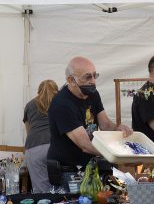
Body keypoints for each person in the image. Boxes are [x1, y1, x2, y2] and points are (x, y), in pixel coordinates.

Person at [47, 56, 132, 191]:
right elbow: (85, 145)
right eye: (87, 77)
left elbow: (105, 125)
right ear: (71, 80)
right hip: (69, 172)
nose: (93, 81)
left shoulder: (93, 93)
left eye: (94, 75)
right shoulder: (62, 104)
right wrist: (118, 156)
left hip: (90, 166)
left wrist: (118, 128)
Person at [23, 80, 59, 193]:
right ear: (57, 91)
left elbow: (28, 131)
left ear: (38, 92)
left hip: (34, 147)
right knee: (63, 188)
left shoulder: (29, 105)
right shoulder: (61, 102)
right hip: (56, 146)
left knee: (41, 192)